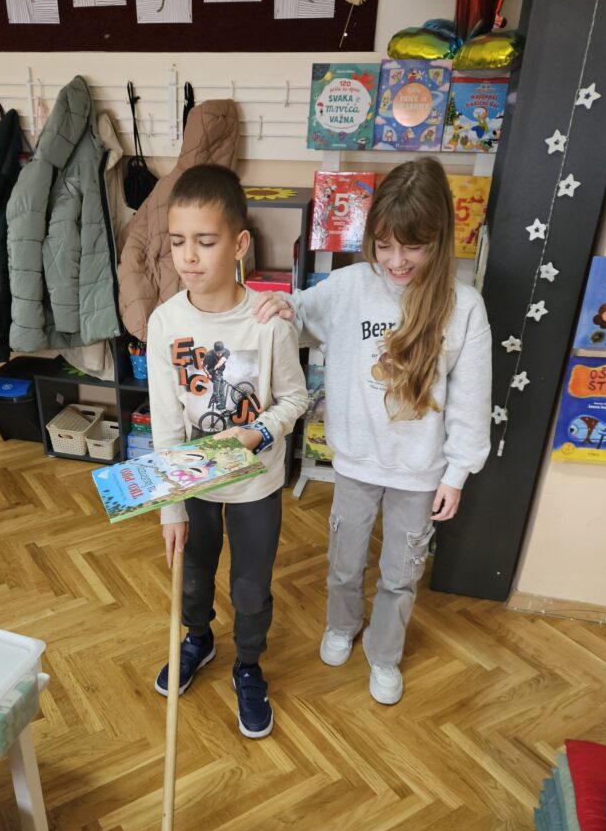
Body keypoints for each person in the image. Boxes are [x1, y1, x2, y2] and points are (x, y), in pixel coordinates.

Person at [254, 157, 491, 705]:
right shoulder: (349, 286)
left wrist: (457, 473)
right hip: (356, 461)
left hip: (420, 471)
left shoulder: (464, 308)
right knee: (344, 561)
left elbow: (471, 402)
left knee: (401, 573)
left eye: (413, 247)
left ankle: (385, 655)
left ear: (439, 241)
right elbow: (299, 313)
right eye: (384, 245)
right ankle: (342, 625)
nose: (396, 261)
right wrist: (279, 303)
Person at [147, 164, 309, 739]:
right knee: (193, 575)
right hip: (194, 479)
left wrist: (259, 433)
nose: (189, 256)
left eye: (205, 241)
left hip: (256, 482)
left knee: (249, 587)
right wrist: (170, 507)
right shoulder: (165, 322)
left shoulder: (268, 323)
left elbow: (295, 399)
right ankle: (198, 639)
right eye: (178, 242)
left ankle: (248, 665)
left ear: (239, 245)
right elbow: (167, 424)